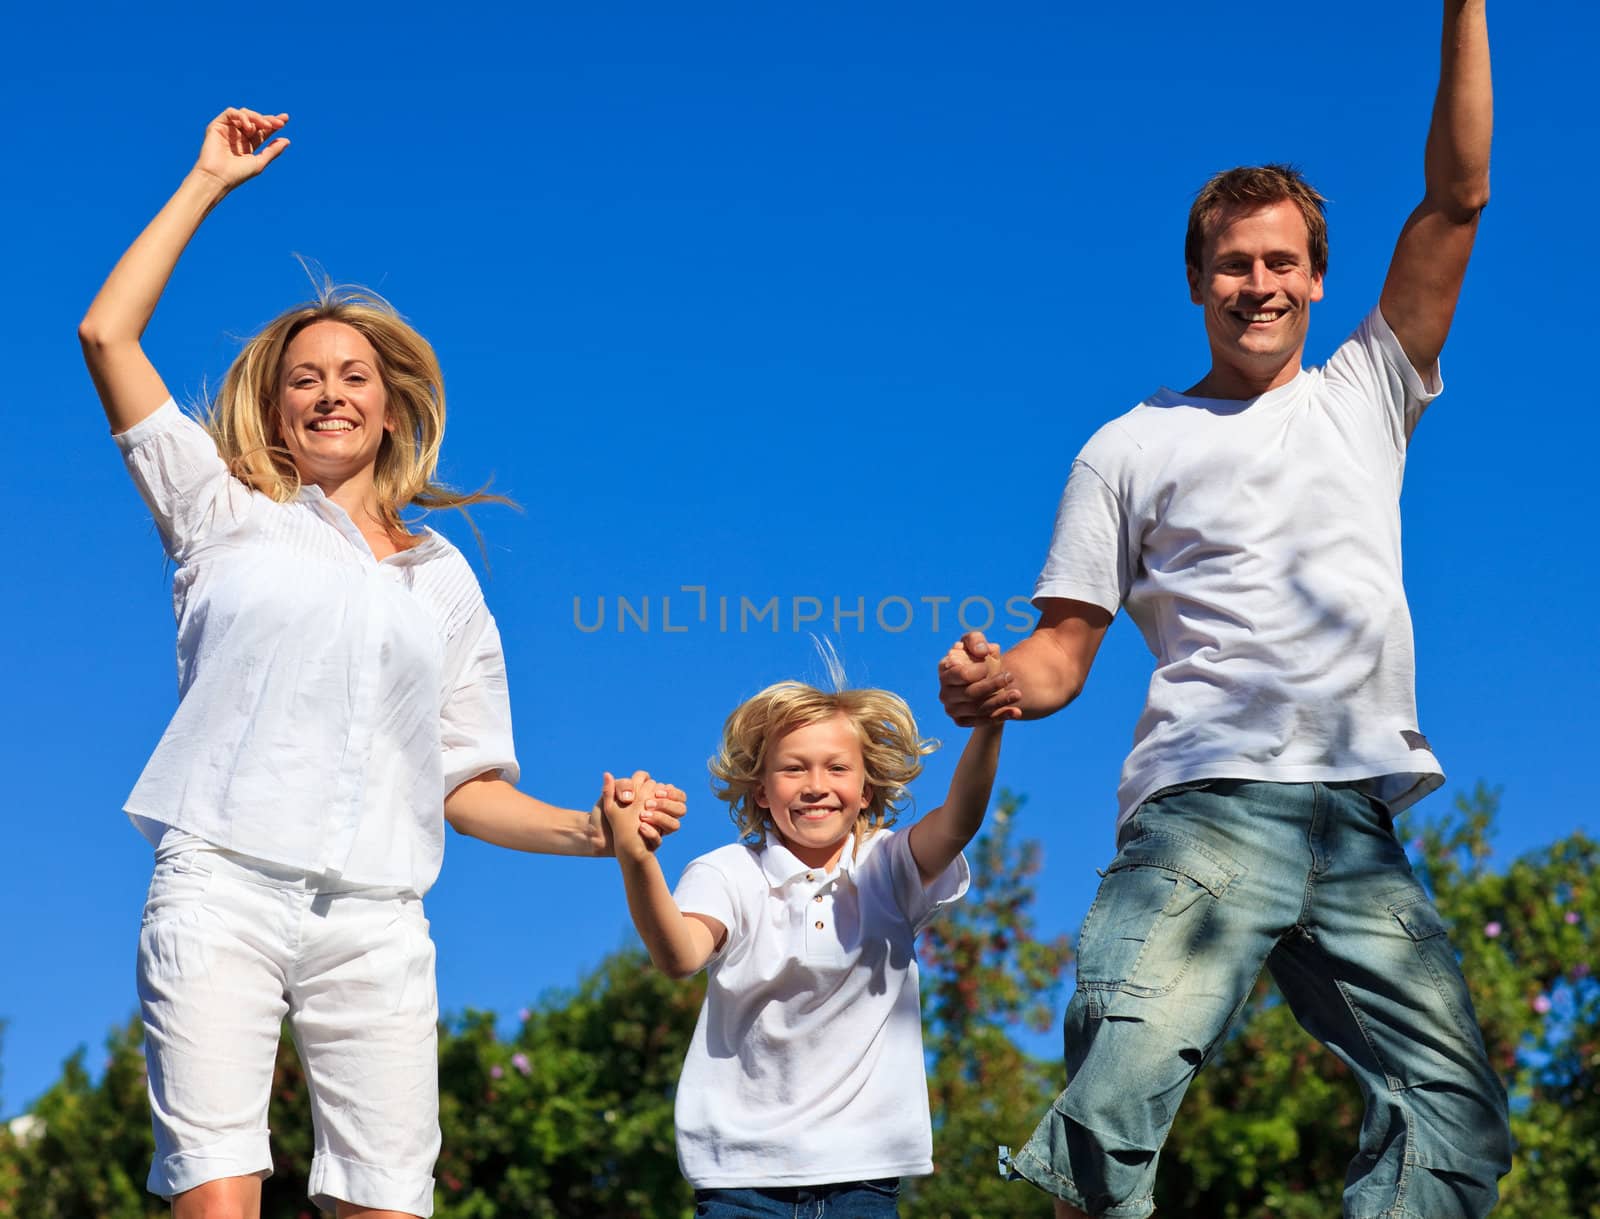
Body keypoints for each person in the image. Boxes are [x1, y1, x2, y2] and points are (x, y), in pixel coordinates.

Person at [937, 3, 1512, 1216]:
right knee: (1114, 1103)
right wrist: (996, 686)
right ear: (1198, 279)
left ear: (1316, 278)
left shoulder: (1365, 391)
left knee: (1452, 1121)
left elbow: (1455, 200)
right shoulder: (1128, 447)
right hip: (1205, 814)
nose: (1259, 284)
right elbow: (1062, 650)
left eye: (1281, 262)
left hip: (1356, 827)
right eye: (1235, 264)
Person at [79, 108, 685, 1219]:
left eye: (353, 375)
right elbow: (107, 337)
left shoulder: (446, 577)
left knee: (387, 1205)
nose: (330, 394)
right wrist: (207, 183)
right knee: (216, 1196)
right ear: (274, 404)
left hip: (378, 916)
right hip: (220, 881)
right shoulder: (220, 511)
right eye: (304, 379)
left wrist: (594, 830)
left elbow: (469, 785)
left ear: (391, 402)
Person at [599, 660, 1007, 1217]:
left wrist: (989, 726)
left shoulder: (887, 866)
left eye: (837, 768)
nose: (816, 786)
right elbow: (679, 954)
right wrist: (636, 858)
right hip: (739, 1176)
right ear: (761, 791)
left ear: (866, 790)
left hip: (863, 1174)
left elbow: (958, 821)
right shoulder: (728, 873)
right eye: (793, 769)